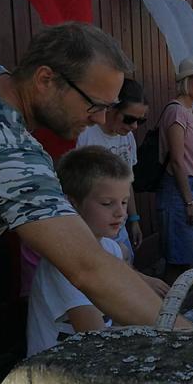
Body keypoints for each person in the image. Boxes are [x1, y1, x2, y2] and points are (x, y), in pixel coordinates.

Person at [0, 23, 182, 384]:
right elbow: (88, 267)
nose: (100, 118)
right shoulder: (11, 155)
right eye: (94, 105)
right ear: (46, 79)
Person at [27, 147, 169, 356]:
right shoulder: (64, 261)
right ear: (72, 204)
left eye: (124, 202)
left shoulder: (110, 248)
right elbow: (95, 336)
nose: (120, 213)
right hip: (54, 371)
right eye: (107, 203)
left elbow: (124, 308)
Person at [157, 56, 193, 284]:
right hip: (181, 187)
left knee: (189, 253)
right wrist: (189, 201)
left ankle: (177, 306)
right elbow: (177, 160)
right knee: (178, 256)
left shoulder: (190, 111)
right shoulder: (177, 111)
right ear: (186, 81)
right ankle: (165, 310)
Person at [77, 78, 149, 259]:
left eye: (140, 121)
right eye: (129, 119)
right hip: (90, 228)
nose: (133, 127)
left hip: (119, 226)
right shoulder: (85, 135)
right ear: (111, 108)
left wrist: (133, 219)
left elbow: (127, 182)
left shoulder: (127, 138)